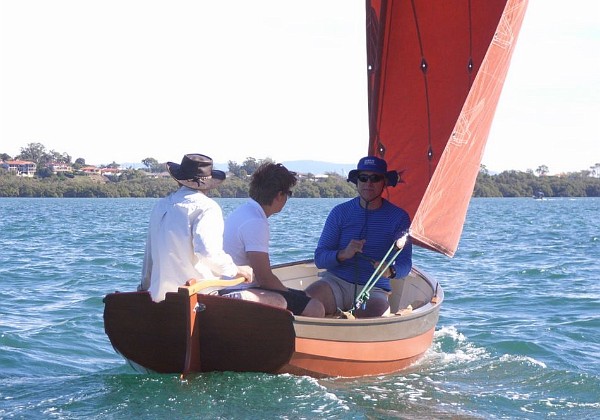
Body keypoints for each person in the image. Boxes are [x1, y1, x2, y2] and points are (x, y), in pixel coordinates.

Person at [306, 156, 412, 318]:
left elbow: (405, 264)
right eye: (363, 178)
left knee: (377, 319)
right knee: (305, 304)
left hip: (374, 290)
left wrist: (390, 271)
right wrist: (343, 254)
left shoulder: (399, 217)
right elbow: (320, 259)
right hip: (335, 282)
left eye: (375, 178)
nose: (368, 183)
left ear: (384, 182)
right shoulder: (339, 213)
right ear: (357, 182)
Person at [138, 153, 253, 302]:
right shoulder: (207, 208)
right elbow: (207, 252)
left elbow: (149, 259)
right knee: (277, 300)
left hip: (159, 302)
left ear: (179, 180)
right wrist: (237, 270)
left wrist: (143, 289)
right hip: (199, 302)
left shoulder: (160, 206)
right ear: (208, 183)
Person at [222, 162, 325, 317]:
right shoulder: (255, 221)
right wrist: (293, 295)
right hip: (239, 290)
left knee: (305, 298)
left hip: (228, 285)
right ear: (279, 195)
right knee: (316, 308)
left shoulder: (243, 211)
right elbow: (264, 278)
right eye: (288, 194)